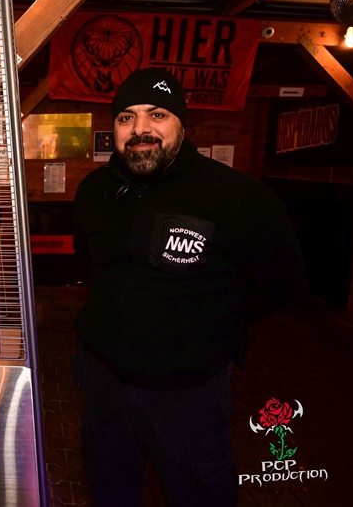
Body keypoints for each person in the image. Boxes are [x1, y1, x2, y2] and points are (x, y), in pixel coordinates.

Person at [72, 67, 307, 506]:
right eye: (126, 117)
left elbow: (284, 281)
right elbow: (91, 267)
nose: (140, 129)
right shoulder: (93, 192)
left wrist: (208, 324)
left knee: (198, 493)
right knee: (110, 489)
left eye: (157, 114)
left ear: (182, 124)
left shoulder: (236, 196)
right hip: (106, 384)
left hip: (188, 392)